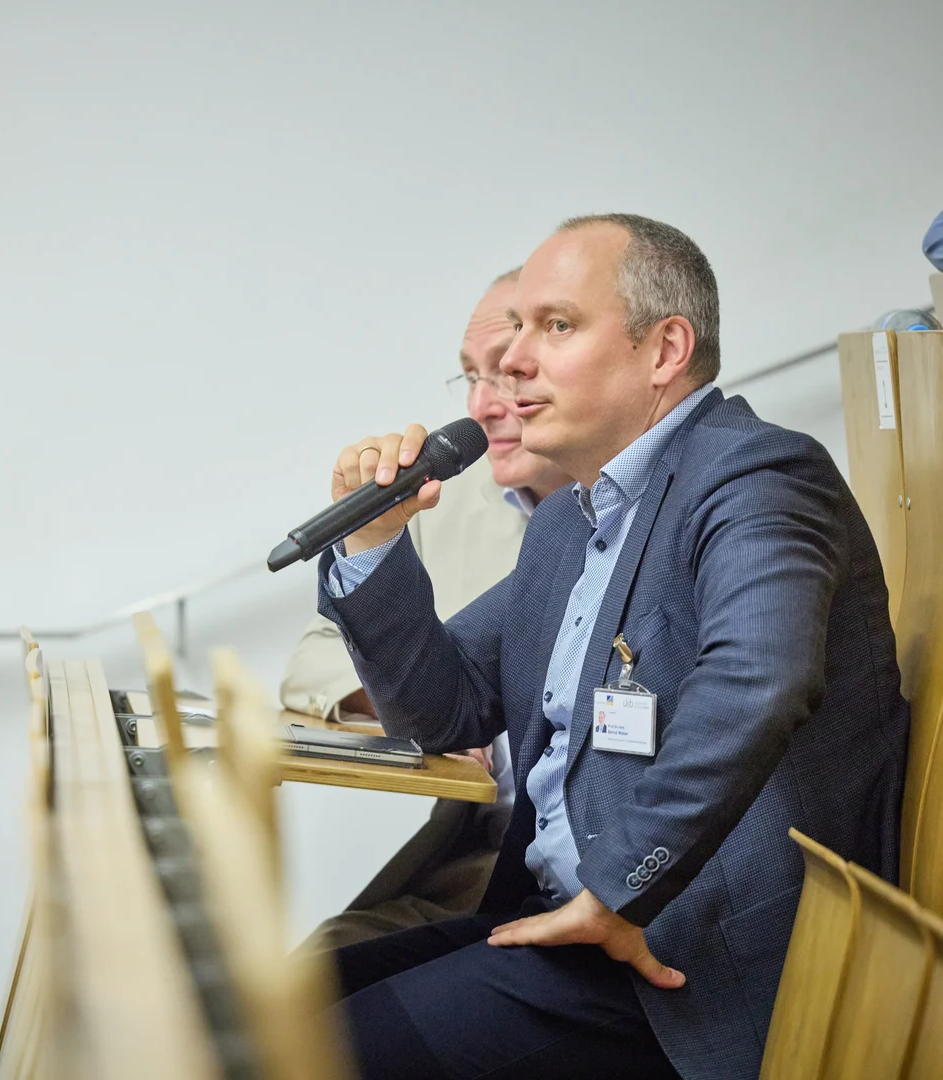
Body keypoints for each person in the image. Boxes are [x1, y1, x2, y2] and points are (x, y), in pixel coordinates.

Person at [316, 213, 907, 1080]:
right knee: (273, 1010)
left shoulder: (760, 477)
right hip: (564, 915)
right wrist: (374, 541)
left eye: (555, 326)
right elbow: (440, 708)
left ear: (665, 349)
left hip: (683, 954)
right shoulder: (568, 521)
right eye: (518, 328)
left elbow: (758, 681)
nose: (515, 360)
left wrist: (618, 887)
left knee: (325, 1053)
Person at [281, 268, 570, 948]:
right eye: (470, 376)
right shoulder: (444, 504)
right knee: (301, 973)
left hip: (568, 876)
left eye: (505, 374)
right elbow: (316, 656)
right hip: (472, 854)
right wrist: (414, 696)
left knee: (316, 1002)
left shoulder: (634, 519)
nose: (483, 405)